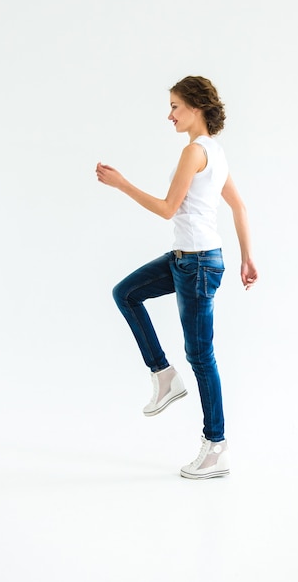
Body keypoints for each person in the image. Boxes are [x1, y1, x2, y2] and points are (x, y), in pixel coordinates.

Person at [96, 75, 258, 479]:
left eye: (175, 106)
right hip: (189, 259)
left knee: (201, 355)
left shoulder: (196, 152)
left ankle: (216, 446)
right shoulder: (213, 152)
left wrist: (121, 184)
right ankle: (164, 375)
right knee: (126, 293)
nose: (169, 114)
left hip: (198, 263)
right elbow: (239, 207)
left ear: (196, 107)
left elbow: (169, 208)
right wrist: (246, 258)